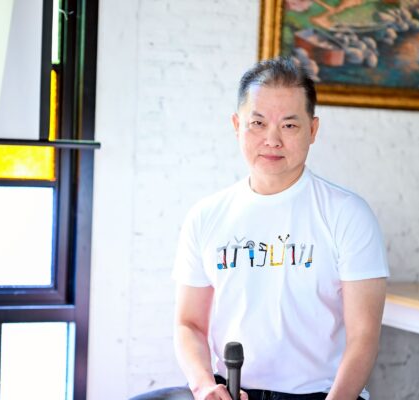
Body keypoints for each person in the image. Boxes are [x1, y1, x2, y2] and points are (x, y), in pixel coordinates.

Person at [132, 57, 389, 400]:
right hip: (231, 391)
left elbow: (364, 336)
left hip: (320, 395)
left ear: (313, 130)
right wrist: (204, 385)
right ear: (236, 125)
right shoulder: (206, 216)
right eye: (257, 123)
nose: (272, 139)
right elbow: (188, 324)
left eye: (289, 125)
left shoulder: (348, 214)